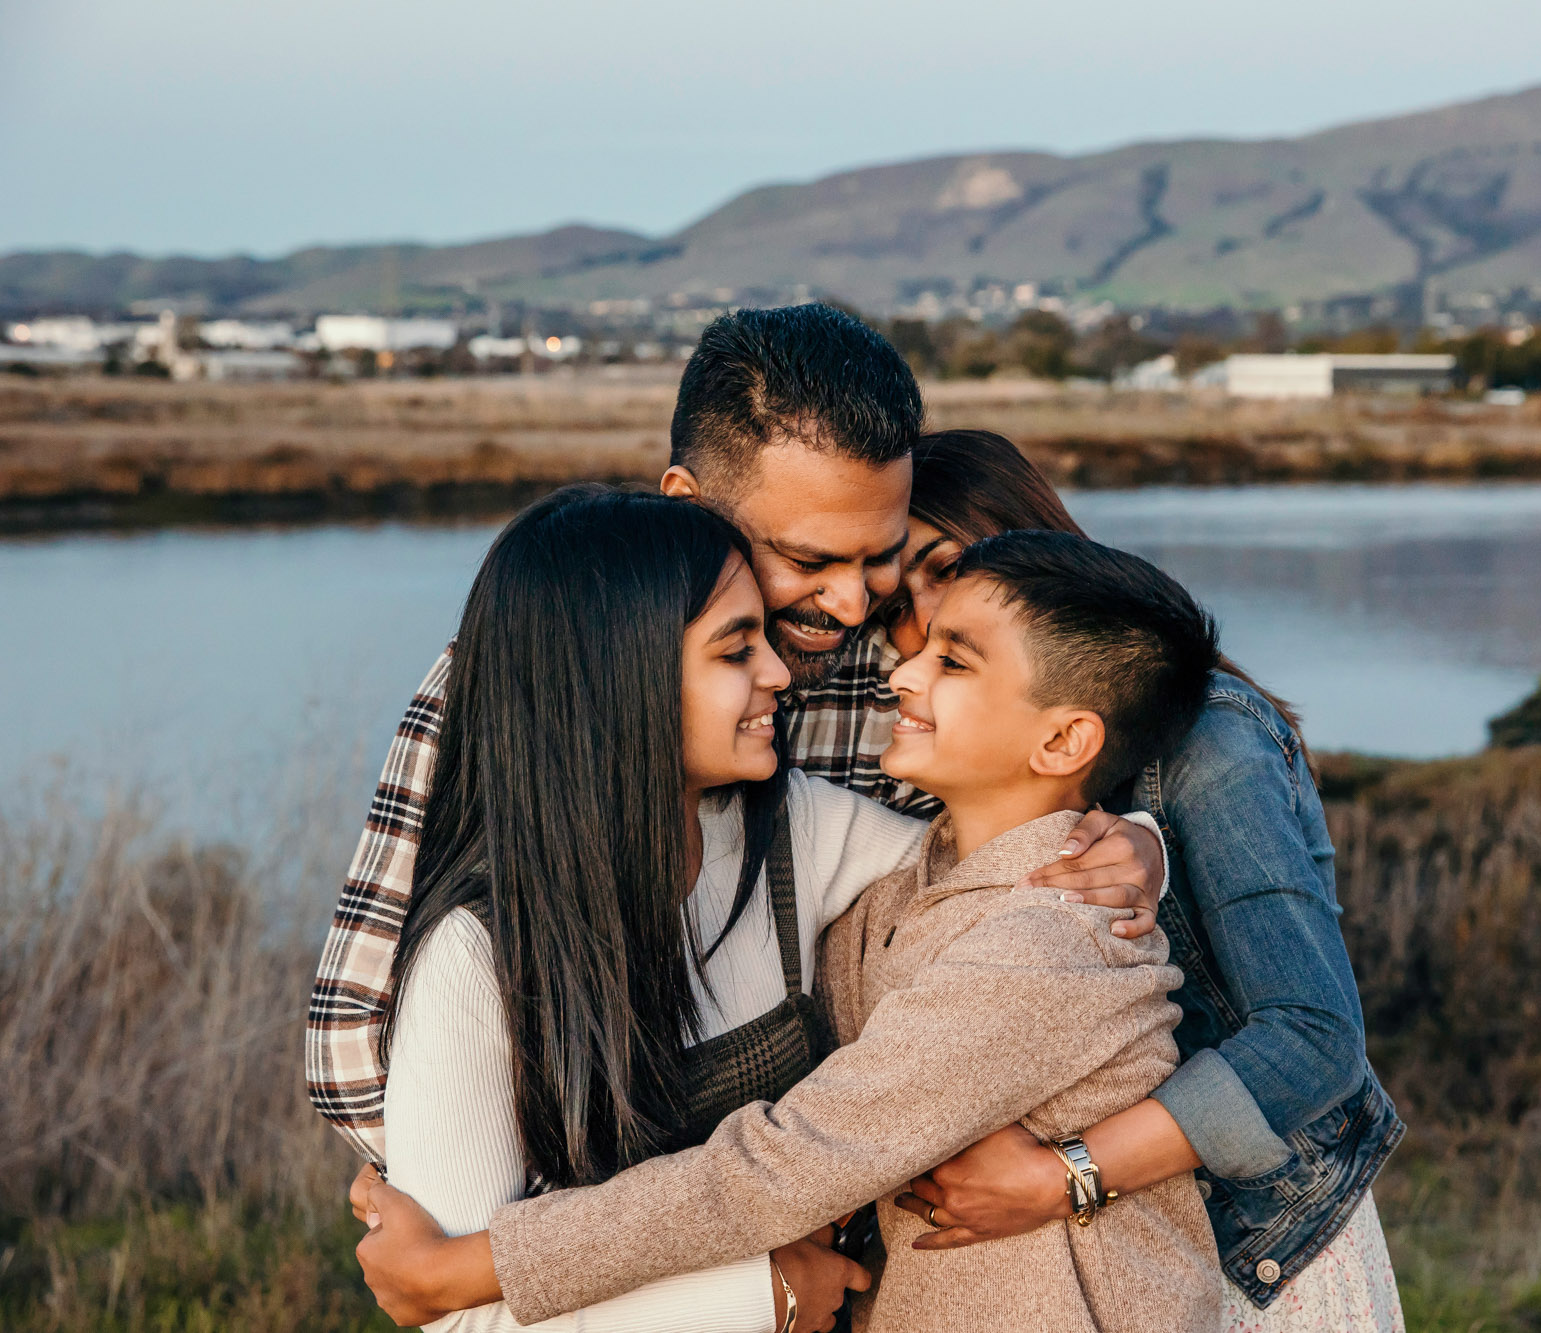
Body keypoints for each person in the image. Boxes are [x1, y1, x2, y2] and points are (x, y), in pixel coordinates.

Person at [306, 310, 1168, 1329]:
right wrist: (475, 1165)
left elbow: (984, 873)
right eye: (805, 560)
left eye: (877, 555)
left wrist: (1130, 842)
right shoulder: (521, 685)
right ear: (690, 505)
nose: (852, 607)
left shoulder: (827, 770)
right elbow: (354, 1043)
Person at [356, 532, 1230, 1332]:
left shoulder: (1035, 934)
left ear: (1064, 736)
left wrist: (473, 1264)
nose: (902, 674)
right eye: (737, 649)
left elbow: (792, 1159)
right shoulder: (912, 880)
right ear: (619, 680)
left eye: (952, 663)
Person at [885, 430, 1406, 1330]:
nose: (923, 619)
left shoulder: (1211, 742)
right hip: (1124, 1262)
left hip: (1261, 1253)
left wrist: (1066, 1177)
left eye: (946, 566)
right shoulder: (955, 739)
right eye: (896, 598)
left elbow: (1315, 1038)